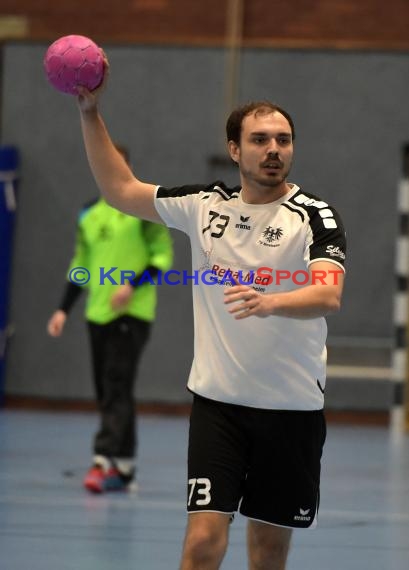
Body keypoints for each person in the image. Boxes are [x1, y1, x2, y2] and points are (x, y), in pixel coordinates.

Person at [73, 68, 346, 569]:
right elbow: (120, 188)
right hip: (219, 408)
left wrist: (271, 301)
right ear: (235, 149)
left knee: (267, 552)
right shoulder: (203, 206)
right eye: (260, 139)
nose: (274, 149)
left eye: (283, 140)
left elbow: (329, 293)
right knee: (201, 542)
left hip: (292, 411)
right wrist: (90, 113)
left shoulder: (314, 215)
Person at [47, 145, 173, 494]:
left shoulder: (145, 211)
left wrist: (132, 286)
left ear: (126, 167)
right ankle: (126, 466)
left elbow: (162, 258)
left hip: (131, 314)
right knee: (109, 390)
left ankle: (102, 461)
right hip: (96, 313)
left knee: (116, 384)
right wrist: (62, 309)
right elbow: (81, 267)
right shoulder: (88, 213)